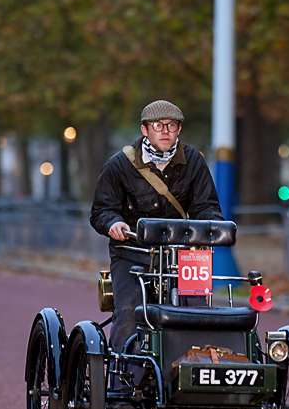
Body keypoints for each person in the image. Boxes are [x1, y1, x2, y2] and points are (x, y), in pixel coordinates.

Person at [89, 99, 224, 388]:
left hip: (183, 256)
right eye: (158, 125)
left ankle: (195, 379)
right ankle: (124, 387)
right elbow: (101, 210)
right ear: (144, 129)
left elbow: (207, 207)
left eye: (171, 125)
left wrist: (209, 228)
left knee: (200, 311)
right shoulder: (120, 165)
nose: (165, 130)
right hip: (133, 254)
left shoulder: (194, 161)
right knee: (129, 313)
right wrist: (113, 224)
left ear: (179, 130)